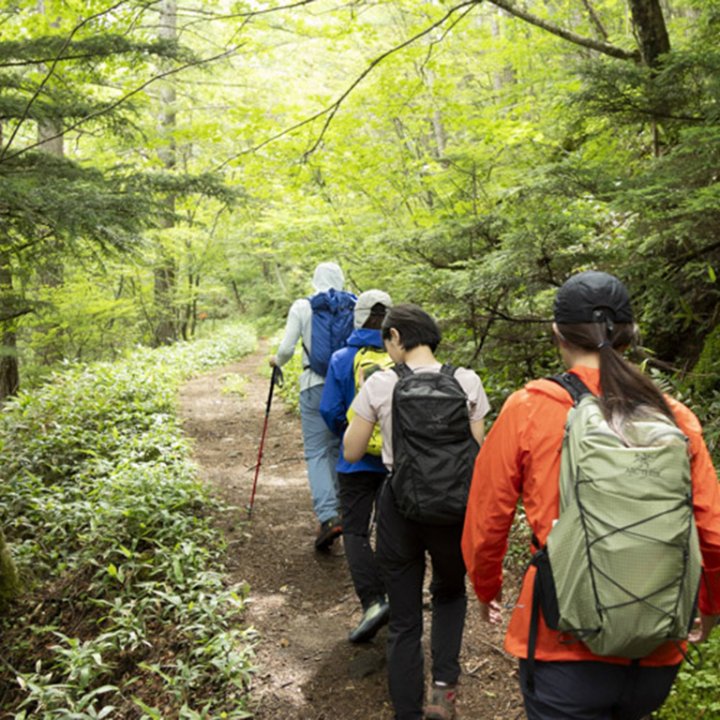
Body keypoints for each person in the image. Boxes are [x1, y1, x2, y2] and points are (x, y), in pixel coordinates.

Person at [462, 270, 720, 720]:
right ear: (630, 335)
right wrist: (710, 606)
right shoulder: (672, 415)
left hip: (561, 640)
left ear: (557, 332)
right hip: (654, 647)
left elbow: (488, 517)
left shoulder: (530, 407)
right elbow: (712, 531)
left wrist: (485, 587)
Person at [344, 303, 490, 720]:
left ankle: (407, 710)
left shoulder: (380, 383)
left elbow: (352, 452)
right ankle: (443, 692)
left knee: (405, 617)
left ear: (396, 338)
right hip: (453, 509)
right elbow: (475, 454)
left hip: (400, 507)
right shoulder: (467, 381)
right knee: (449, 592)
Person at [320, 289, 393, 644]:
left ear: (358, 317)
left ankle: (373, 601)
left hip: (356, 464)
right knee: (393, 531)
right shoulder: (403, 358)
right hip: (396, 463)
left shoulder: (341, 359)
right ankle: (399, 596)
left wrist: (351, 435)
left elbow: (330, 410)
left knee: (356, 531)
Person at [270, 262, 354, 551]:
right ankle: (347, 511)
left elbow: (286, 349)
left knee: (317, 451)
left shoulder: (303, 306)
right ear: (341, 279)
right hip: (347, 388)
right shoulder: (355, 304)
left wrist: (276, 363)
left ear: (314, 280)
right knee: (339, 448)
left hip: (314, 385)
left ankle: (329, 516)